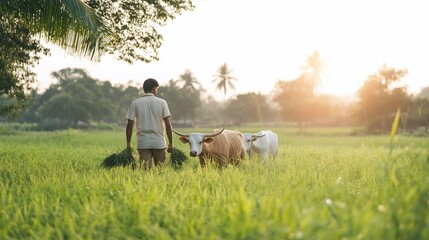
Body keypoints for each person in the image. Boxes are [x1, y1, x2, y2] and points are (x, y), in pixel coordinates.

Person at [125, 78, 173, 169]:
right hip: (159, 143)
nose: (157, 90)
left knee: (145, 171)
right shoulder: (162, 103)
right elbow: (168, 124)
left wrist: (128, 144)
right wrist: (170, 143)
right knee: (160, 172)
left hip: (143, 143)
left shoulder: (135, 103)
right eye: (157, 88)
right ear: (154, 88)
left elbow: (129, 125)